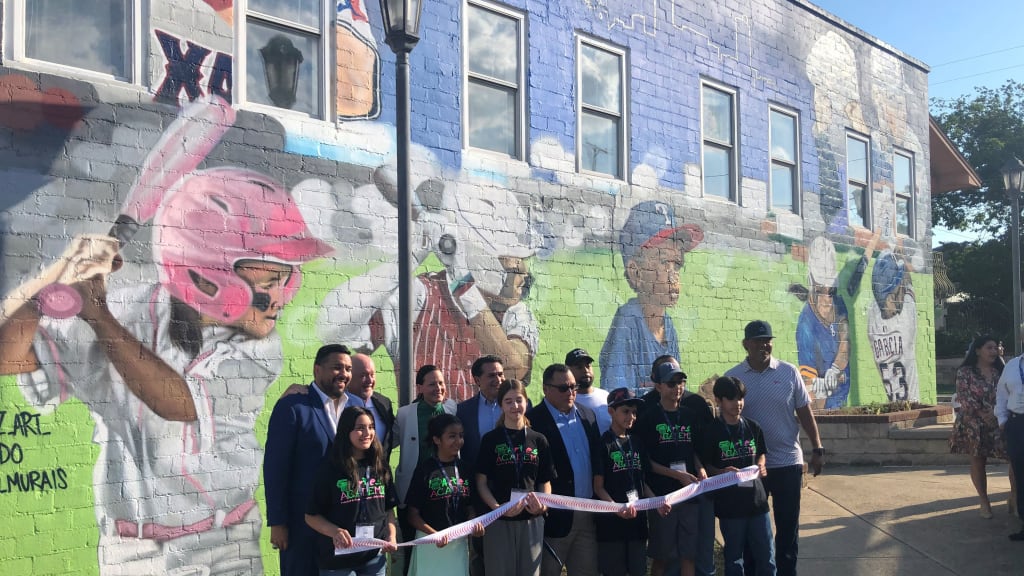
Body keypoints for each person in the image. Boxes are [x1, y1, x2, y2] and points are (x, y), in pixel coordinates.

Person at [0, 96, 333, 575]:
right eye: (266, 284)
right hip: (130, 553)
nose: (280, 298)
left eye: (287, 278)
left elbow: (177, 402)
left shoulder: (261, 346)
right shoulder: (122, 310)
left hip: (224, 547)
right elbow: (8, 357)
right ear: (202, 279)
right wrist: (56, 278)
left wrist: (98, 316)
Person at [724, 320, 824, 576]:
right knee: (752, 529)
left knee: (788, 527)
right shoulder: (733, 378)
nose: (764, 345)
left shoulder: (789, 372)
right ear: (745, 344)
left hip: (788, 462)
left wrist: (817, 447)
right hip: (752, 468)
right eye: (758, 341)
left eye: (767, 340)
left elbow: (804, 411)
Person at [265, 345, 354, 576]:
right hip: (300, 525)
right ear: (317, 370)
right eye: (337, 367)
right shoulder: (293, 407)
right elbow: (276, 469)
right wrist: (278, 522)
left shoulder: (355, 407)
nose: (344, 373)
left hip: (341, 524)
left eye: (348, 368)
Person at [600, 200, 703, 395]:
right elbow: (618, 395)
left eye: (677, 265)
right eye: (664, 262)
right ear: (635, 272)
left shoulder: (668, 325)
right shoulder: (628, 321)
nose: (673, 275)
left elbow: (675, 388)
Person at [641, 357, 716, 576]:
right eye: (671, 383)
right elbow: (646, 462)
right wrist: (676, 475)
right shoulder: (648, 417)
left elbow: (692, 450)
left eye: (681, 382)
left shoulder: (690, 415)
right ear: (659, 386)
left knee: (688, 555)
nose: (677, 388)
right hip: (663, 498)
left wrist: (699, 468)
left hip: (689, 494)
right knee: (662, 557)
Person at [527, 364, 603, 576]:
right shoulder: (533, 421)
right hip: (553, 516)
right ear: (546, 389)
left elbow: (597, 460)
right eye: (563, 388)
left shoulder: (588, 415)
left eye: (574, 387)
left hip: (588, 513)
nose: (570, 393)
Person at [305, 406, 399, 576]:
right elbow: (311, 516)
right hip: (338, 561)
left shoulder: (380, 466)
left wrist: (391, 536)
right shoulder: (330, 469)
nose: (367, 433)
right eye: (360, 428)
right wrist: (335, 531)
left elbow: (388, 509)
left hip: (373, 557)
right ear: (346, 431)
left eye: (371, 427)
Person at [476, 379, 553, 576]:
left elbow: (545, 480)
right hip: (499, 521)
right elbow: (481, 482)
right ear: (501, 405)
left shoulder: (538, 439)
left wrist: (543, 505)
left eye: (519, 400)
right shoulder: (491, 439)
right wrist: (497, 509)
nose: (515, 406)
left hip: (532, 520)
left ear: (526, 402)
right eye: (508, 401)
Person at [701, 377, 774, 576]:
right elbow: (706, 465)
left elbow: (761, 452)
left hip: (757, 503)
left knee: (767, 558)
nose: (738, 403)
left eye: (740, 398)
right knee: (734, 561)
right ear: (719, 400)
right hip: (730, 507)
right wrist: (722, 473)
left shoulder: (753, 427)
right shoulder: (712, 431)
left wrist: (761, 464)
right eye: (731, 399)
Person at [594, 387, 670, 576]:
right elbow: (598, 487)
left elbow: (641, 481)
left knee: (638, 570)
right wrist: (616, 509)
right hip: (611, 525)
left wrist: (656, 502)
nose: (631, 417)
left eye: (634, 412)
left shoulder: (636, 442)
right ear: (611, 411)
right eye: (625, 411)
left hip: (637, 522)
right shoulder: (603, 444)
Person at [394, 365, 458, 573]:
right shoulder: (405, 415)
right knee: (413, 551)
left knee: (446, 547)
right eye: (432, 384)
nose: (438, 388)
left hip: (444, 492)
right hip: (413, 493)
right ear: (420, 387)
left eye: (441, 383)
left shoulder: (452, 409)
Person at [406, 413, 485, 576]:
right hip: (431, 544)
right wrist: (435, 535)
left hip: (458, 545)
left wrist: (473, 524)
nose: (458, 441)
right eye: (451, 436)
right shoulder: (424, 470)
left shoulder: (465, 469)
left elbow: (469, 506)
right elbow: (412, 515)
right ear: (436, 440)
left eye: (461, 436)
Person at [949, 335, 1011, 519]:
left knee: (1013, 459)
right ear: (978, 350)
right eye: (989, 348)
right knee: (978, 460)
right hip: (973, 422)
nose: (994, 351)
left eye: (996, 348)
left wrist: (996, 413)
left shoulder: (1002, 371)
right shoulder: (965, 372)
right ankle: (984, 501)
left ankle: (1014, 498)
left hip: (998, 420)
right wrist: (984, 414)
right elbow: (964, 397)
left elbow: (1011, 393)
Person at [456, 355, 506, 576]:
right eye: (492, 375)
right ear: (477, 379)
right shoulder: (464, 411)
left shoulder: (517, 404)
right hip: (479, 490)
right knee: (481, 552)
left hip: (512, 489)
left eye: (501, 374)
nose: (498, 379)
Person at [796, 237, 851, 408]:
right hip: (826, 410)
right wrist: (822, 388)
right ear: (811, 284)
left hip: (843, 401)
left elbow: (845, 342)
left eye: (831, 291)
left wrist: (835, 369)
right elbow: (811, 395)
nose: (827, 298)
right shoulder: (806, 327)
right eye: (821, 291)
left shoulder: (839, 304)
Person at [867, 251, 919, 402]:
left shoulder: (872, 322)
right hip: (912, 404)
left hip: (892, 403)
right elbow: (908, 286)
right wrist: (900, 256)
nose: (900, 290)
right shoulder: (906, 318)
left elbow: (878, 298)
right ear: (891, 295)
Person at [347, 353, 397, 459]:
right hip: (346, 473)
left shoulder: (384, 403)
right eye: (363, 375)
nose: (370, 381)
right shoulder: (336, 403)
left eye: (372, 375)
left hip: (380, 473)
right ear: (349, 376)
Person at [997, 345, 1024, 540]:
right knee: (1021, 475)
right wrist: (1003, 420)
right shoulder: (1013, 365)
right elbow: (1001, 394)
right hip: (1017, 424)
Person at [567, 348, 612, 434]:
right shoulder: (568, 400)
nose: (585, 370)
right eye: (579, 367)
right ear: (568, 371)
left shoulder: (606, 396)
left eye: (588, 366)